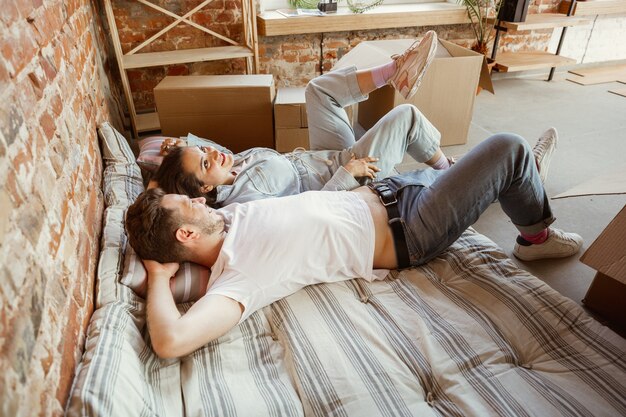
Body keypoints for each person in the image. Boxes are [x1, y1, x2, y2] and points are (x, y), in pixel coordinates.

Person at [125, 132, 583, 359]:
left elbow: (182, 166)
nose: (197, 200)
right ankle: (535, 235)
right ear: (186, 235)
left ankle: (523, 182)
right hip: (412, 229)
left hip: (392, 190)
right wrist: (161, 275)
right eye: (188, 204)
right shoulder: (237, 277)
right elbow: (171, 340)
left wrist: (161, 160)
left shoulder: (226, 217)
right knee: (508, 147)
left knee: (490, 171)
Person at [150, 31, 454, 207]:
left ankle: (394, 72)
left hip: (324, 157)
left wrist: (187, 145)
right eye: (205, 162)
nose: (213, 154)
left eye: (205, 153)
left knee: (317, 90)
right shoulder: (246, 202)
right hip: (347, 180)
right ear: (203, 190)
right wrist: (348, 174)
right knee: (406, 116)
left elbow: (215, 153)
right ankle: (450, 171)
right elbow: (305, 213)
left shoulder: (230, 164)